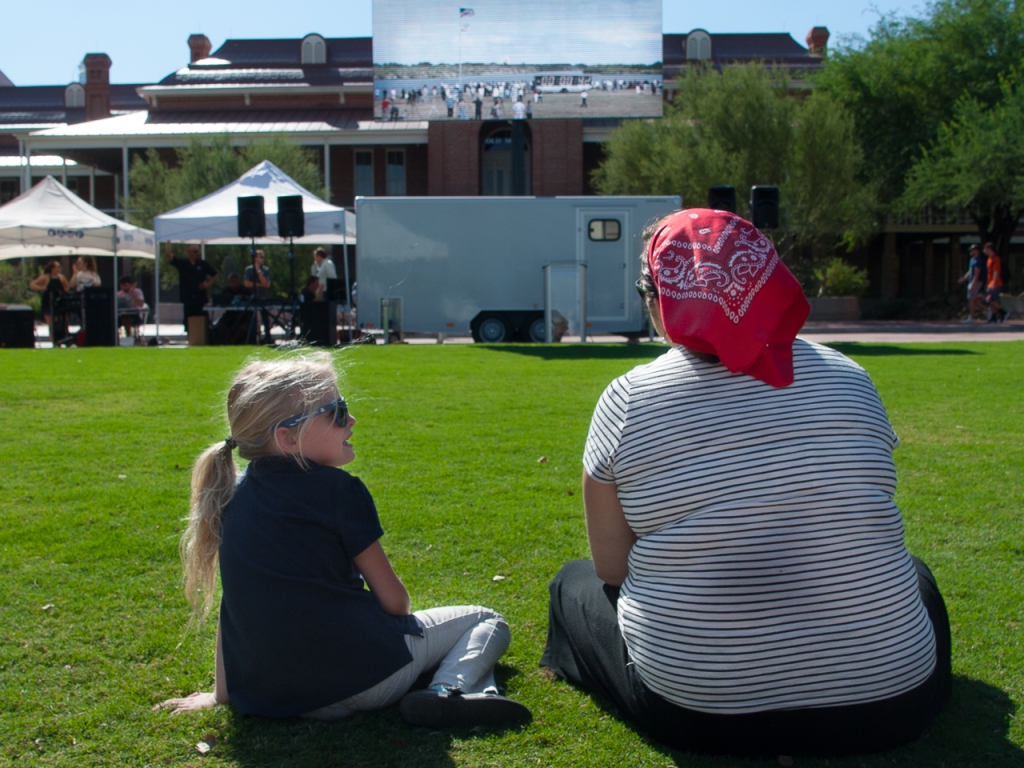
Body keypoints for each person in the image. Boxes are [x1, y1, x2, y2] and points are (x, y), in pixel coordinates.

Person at [541, 209, 951, 758]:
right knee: (916, 574)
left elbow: (611, 570)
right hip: (891, 705)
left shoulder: (630, 398)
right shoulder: (851, 377)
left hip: (700, 712)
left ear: (663, 299)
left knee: (573, 585)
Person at [154, 353, 531, 728]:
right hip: (363, 678)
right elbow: (397, 603)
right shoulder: (339, 490)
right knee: (486, 619)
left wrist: (220, 695)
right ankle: (447, 691)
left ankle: (465, 692)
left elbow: (233, 607)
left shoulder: (231, 496)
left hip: (276, 695)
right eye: (336, 411)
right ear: (287, 438)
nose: (351, 420)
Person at [166, 242, 218, 321]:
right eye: (195, 251)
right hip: (188, 298)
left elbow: (215, 274)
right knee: (189, 321)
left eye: (197, 251)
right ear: (189, 252)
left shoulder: (202, 264)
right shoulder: (183, 264)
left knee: (203, 321)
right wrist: (168, 241)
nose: (197, 253)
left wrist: (207, 284)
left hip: (200, 298)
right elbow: (169, 255)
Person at [29, 260, 69, 342]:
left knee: (64, 323)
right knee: (51, 325)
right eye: (58, 266)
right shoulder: (45, 277)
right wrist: (41, 288)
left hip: (59, 302)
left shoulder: (61, 277)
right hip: (48, 302)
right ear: (53, 268)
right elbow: (32, 284)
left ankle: (64, 339)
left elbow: (67, 287)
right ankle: (52, 340)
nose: (60, 268)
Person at [243, 250, 273, 343]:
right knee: (252, 319)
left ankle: (267, 336)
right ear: (255, 258)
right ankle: (252, 337)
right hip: (252, 298)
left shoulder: (266, 270)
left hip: (263, 297)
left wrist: (259, 271)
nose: (263, 259)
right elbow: (247, 283)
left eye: (263, 257)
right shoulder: (248, 270)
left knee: (265, 318)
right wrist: (259, 284)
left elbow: (266, 284)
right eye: (261, 257)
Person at [958, 243, 985, 322]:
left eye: (972, 250)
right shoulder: (972, 260)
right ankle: (988, 310)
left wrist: (973, 284)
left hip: (976, 282)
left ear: (976, 251)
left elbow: (977, 273)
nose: (970, 251)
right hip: (972, 281)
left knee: (971, 299)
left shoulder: (978, 261)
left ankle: (972, 317)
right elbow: (970, 271)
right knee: (973, 300)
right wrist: (964, 279)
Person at [983, 242, 1007, 323]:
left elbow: (996, 271)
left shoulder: (996, 259)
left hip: (995, 283)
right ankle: (994, 317)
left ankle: (1003, 312)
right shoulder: (989, 259)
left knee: (990, 300)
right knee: (992, 300)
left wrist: (994, 283)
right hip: (990, 282)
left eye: (986, 249)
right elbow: (988, 273)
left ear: (990, 249)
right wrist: (987, 283)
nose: (984, 251)